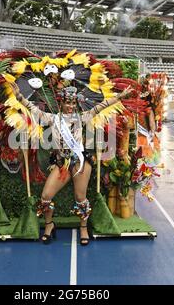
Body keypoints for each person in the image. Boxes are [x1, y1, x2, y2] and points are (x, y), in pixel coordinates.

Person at [13, 85, 132, 246]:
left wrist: (119, 96)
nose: (70, 107)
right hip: (62, 164)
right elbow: (33, 109)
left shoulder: (82, 117)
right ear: (61, 103)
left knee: (80, 198)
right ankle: (49, 225)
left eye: (73, 104)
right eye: (67, 103)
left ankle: (83, 227)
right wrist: (19, 96)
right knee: (46, 197)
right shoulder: (51, 119)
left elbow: (101, 106)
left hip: (79, 163)